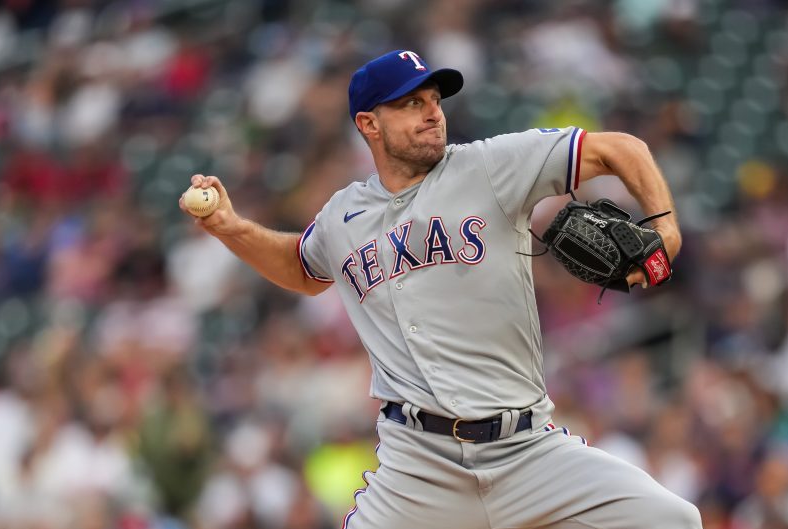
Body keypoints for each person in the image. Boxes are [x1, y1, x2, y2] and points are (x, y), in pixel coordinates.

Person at [181, 49, 700, 529]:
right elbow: (302, 266)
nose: (432, 112)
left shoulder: (490, 165)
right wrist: (231, 227)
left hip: (526, 452)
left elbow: (619, 148)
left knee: (673, 520)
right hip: (417, 467)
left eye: (434, 100)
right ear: (369, 124)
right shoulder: (342, 215)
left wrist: (666, 228)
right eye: (411, 103)